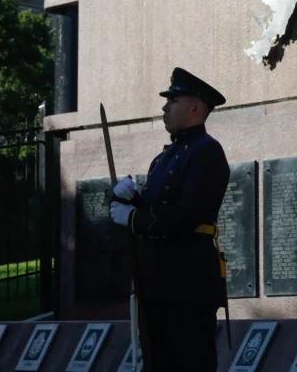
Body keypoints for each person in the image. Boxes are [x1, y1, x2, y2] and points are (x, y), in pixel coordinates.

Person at [109, 67, 230, 372]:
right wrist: (133, 198)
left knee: (190, 362)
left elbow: (187, 215)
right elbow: (159, 208)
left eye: (173, 100)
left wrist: (133, 218)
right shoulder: (164, 157)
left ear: (195, 106)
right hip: (158, 280)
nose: (165, 106)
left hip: (187, 282)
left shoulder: (207, 152)